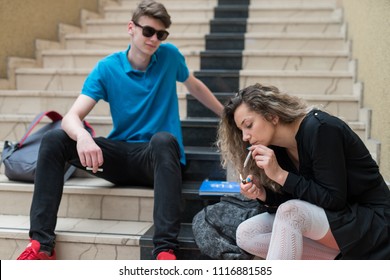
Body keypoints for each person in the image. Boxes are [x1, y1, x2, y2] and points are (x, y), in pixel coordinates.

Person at [17, 0, 223, 260]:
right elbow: (72, 117)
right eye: (148, 31)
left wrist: (226, 115)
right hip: (118, 157)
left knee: (163, 140)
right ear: (131, 28)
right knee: (55, 138)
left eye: (161, 34)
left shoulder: (169, 56)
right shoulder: (108, 68)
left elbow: (194, 86)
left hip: (156, 158)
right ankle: (41, 245)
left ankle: (164, 251)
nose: (154, 39)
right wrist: (83, 137)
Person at [216, 83, 390, 259]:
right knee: (247, 233)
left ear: (272, 116)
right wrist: (263, 194)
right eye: (241, 130)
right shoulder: (278, 147)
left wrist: (280, 175)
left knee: (291, 213)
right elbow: (302, 198)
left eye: (249, 125)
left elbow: (333, 199)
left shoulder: (321, 129)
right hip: (337, 222)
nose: (245, 137)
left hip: (372, 221)